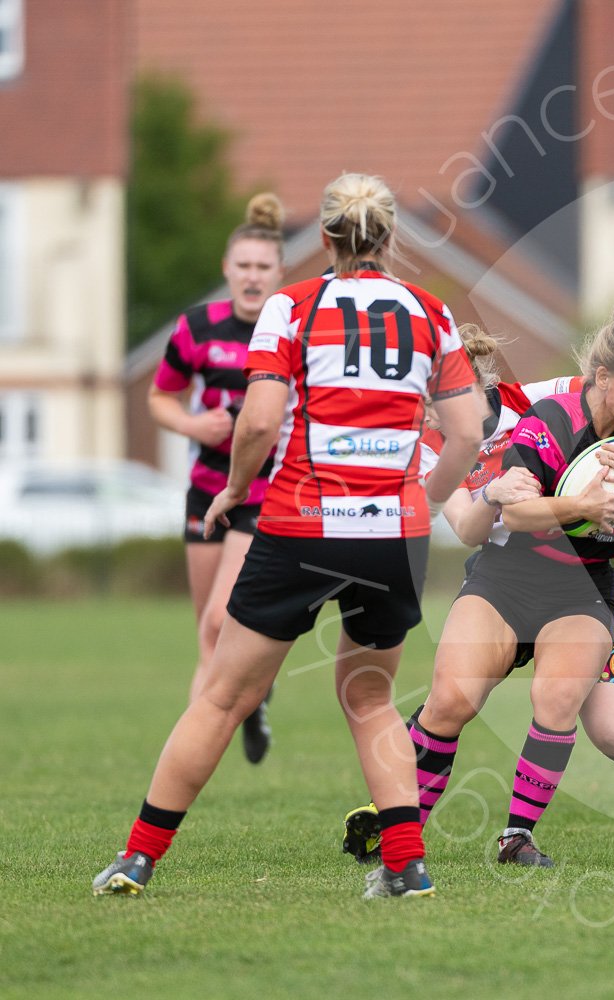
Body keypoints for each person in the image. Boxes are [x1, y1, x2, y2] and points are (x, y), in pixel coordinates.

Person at [92, 172, 484, 899]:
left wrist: (236, 490)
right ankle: (405, 867)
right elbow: (466, 432)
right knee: (370, 700)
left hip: (303, 522)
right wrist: (416, 502)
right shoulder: (432, 312)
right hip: (392, 536)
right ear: (391, 238)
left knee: (219, 697)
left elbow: (261, 421)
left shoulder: (292, 306)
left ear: (326, 238)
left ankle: (139, 859)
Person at [348, 308, 614, 869]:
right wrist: (514, 498)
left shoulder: (549, 404)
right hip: (506, 573)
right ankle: (400, 822)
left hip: (583, 585)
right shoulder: (427, 447)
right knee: (451, 699)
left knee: (607, 729)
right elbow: (472, 527)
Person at [148, 193, 285, 762]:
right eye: (244, 267)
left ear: (279, 272)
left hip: (262, 492)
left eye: (263, 268)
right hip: (205, 487)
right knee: (210, 629)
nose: (252, 278)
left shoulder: (292, 326)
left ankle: (185, 757)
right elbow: (160, 397)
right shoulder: (197, 327)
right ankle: (250, 701)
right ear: (227, 269)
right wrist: (190, 423)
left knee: (214, 626)